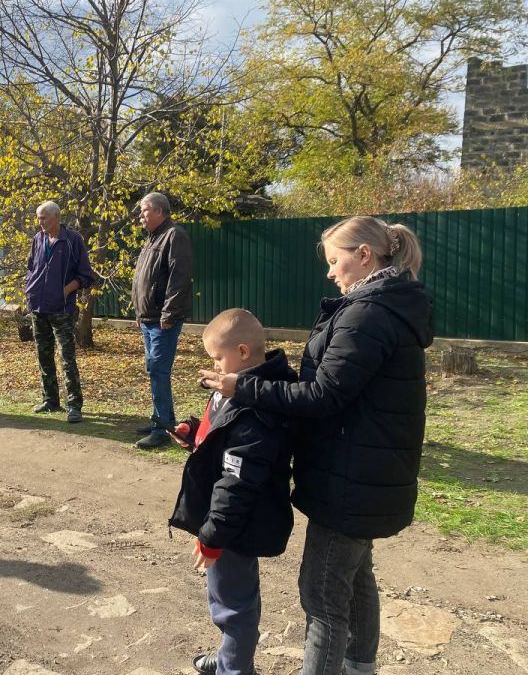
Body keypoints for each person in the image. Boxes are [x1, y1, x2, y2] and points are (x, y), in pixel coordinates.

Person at [200, 216, 433, 675]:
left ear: (363, 255)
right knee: (356, 578)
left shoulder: (368, 313)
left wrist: (242, 387)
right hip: (365, 471)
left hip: (351, 478)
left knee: (322, 593)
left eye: (334, 260)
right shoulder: (383, 305)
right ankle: (358, 666)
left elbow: (324, 394)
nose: (329, 272)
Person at [169, 309, 296, 675]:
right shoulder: (235, 386)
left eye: (217, 358)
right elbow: (223, 432)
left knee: (233, 606)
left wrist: (213, 536)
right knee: (228, 598)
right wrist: (195, 431)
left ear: (242, 352)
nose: (214, 366)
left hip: (236, 525)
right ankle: (229, 657)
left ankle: (235, 668)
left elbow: (238, 480)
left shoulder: (256, 407)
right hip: (229, 520)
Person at [131, 191, 193, 449]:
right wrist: (139, 313)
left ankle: (161, 430)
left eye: (144, 210)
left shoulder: (174, 235)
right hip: (148, 318)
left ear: (158, 211)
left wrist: (169, 313)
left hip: (162, 320)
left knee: (158, 370)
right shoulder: (153, 238)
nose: (140, 215)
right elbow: (144, 279)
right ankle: (164, 420)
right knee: (154, 370)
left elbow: (180, 278)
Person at [24, 201, 95, 424]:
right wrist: (30, 290)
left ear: (56, 217)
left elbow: (86, 276)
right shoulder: (38, 239)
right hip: (38, 307)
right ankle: (50, 400)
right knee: (43, 356)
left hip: (62, 309)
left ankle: (74, 405)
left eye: (43, 218)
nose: (40, 222)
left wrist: (65, 291)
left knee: (67, 358)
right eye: (38, 218)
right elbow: (31, 268)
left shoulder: (73, 240)